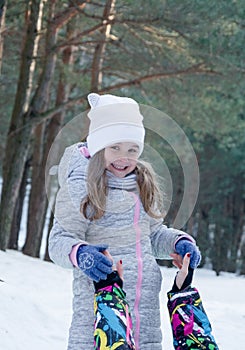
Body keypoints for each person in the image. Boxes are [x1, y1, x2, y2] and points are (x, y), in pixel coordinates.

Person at [48, 92, 201, 350]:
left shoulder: (141, 185)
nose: (124, 157)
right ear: (98, 147)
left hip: (145, 317)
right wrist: (80, 253)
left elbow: (152, 236)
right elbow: (58, 241)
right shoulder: (80, 186)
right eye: (114, 147)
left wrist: (177, 242)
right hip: (99, 316)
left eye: (132, 150)